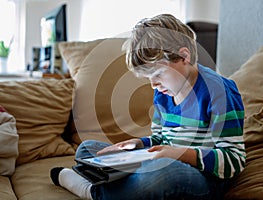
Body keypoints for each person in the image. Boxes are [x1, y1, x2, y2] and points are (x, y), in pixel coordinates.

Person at [50, 14, 245, 200]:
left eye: (158, 74)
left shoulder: (219, 92)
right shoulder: (164, 92)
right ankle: (129, 184)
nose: (153, 85)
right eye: (148, 78)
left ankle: (93, 191)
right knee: (88, 149)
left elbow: (233, 161)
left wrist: (177, 154)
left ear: (183, 57)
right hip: (163, 163)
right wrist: (139, 145)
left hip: (202, 180)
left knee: (166, 171)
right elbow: (161, 139)